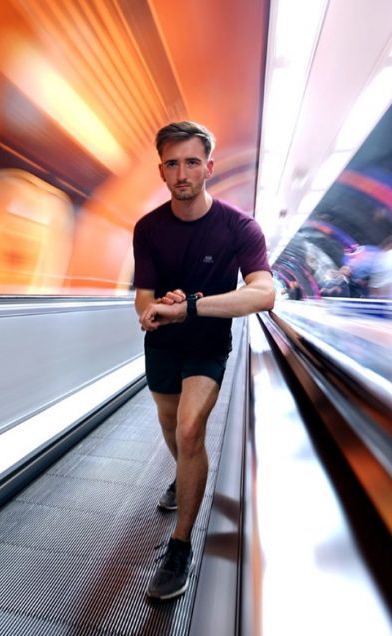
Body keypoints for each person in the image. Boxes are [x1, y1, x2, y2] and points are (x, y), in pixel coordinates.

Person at [133, 121, 274, 600]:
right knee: (174, 429)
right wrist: (157, 313)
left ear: (209, 167)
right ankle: (183, 474)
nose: (182, 172)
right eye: (172, 163)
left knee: (191, 429)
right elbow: (143, 302)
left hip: (209, 343)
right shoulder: (148, 229)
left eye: (192, 161)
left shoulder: (239, 228)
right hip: (165, 346)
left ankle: (180, 546)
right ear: (161, 171)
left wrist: (191, 307)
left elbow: (265, 293)